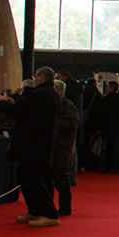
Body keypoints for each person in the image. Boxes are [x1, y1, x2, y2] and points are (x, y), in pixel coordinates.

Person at [0, 67, 61, 226]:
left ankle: (48, 214)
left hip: (32, 144)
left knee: (32, 180)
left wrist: (3, 103)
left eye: (36, 76)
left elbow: (17, 111)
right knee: (30, 178)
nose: (34, 79)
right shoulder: (52, 95)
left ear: (41, 78)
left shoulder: (37, 94)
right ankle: (35, 211)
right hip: (41, 144)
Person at [51, 79, 79, 216]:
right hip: (53, 146)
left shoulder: (68, 106)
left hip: (62, 147)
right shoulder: (54, 105)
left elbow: (71, 125)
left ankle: (65, 207)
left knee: (61, 179)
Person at [94, 81, 119, 173]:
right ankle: (114, 167)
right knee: (115, 149)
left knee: (105, 149)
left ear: (110, 88)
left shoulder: (105, 100)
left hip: (106, 128)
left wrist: (99, 127)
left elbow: (101, 115)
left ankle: (104, 167)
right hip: (118, 128)